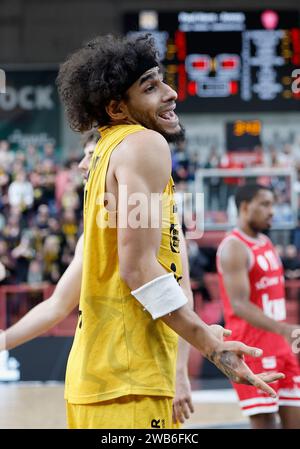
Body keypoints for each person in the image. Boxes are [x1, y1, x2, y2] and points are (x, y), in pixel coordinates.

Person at [56, 34, 282, 429]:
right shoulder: (143, 144)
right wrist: (210, 345)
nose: (171, 92)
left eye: (162, 80)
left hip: (99, 377)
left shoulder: (108, 150)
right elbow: (138, 269)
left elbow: (148, 266)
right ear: (116, 107)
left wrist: (189, 335)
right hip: (130, 381)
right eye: (150, 86)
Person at [0, 136, 198, 426]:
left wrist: (181, 372)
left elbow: (182, 296)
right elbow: (56, 305)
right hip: (91, 380)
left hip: (141, 379)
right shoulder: (91, 235)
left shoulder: (161, 223)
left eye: (91, 155)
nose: (81, 165)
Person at [217, 184, 300, 429]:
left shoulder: (265, 241)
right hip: (252, 349)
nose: (271, 211)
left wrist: (283, 334)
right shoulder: (233, 246)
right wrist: (285, 329)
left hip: (280, 347)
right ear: (245, 207)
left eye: (272, 204)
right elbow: (240, 305)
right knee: (264, 423)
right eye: (265, 204)